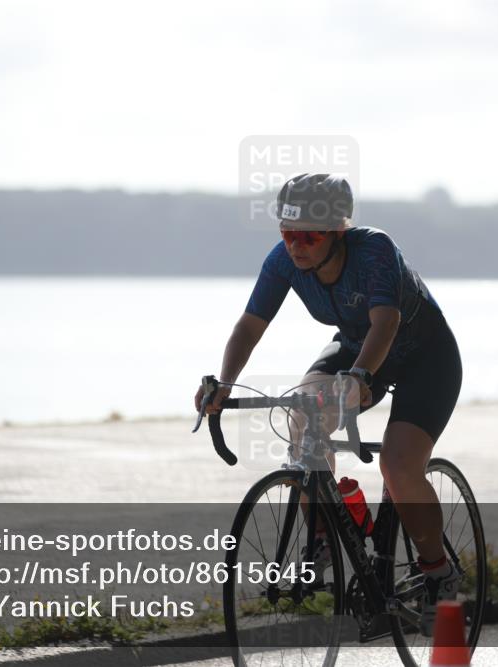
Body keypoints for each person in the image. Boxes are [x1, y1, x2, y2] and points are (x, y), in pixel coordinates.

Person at [193, 173, 463, 633]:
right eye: (287, 233)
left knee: (398, 465)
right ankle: (321, 536)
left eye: (309, 235)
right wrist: (224, 383)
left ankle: (438, 570)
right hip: (358, 347)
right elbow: (249, 326)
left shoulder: (374, 249)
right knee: (303, 413)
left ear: (338, 231)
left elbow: (386, 322)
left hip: (423, 356)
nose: (296, 246)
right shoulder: (283, 262)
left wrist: (358, 378)